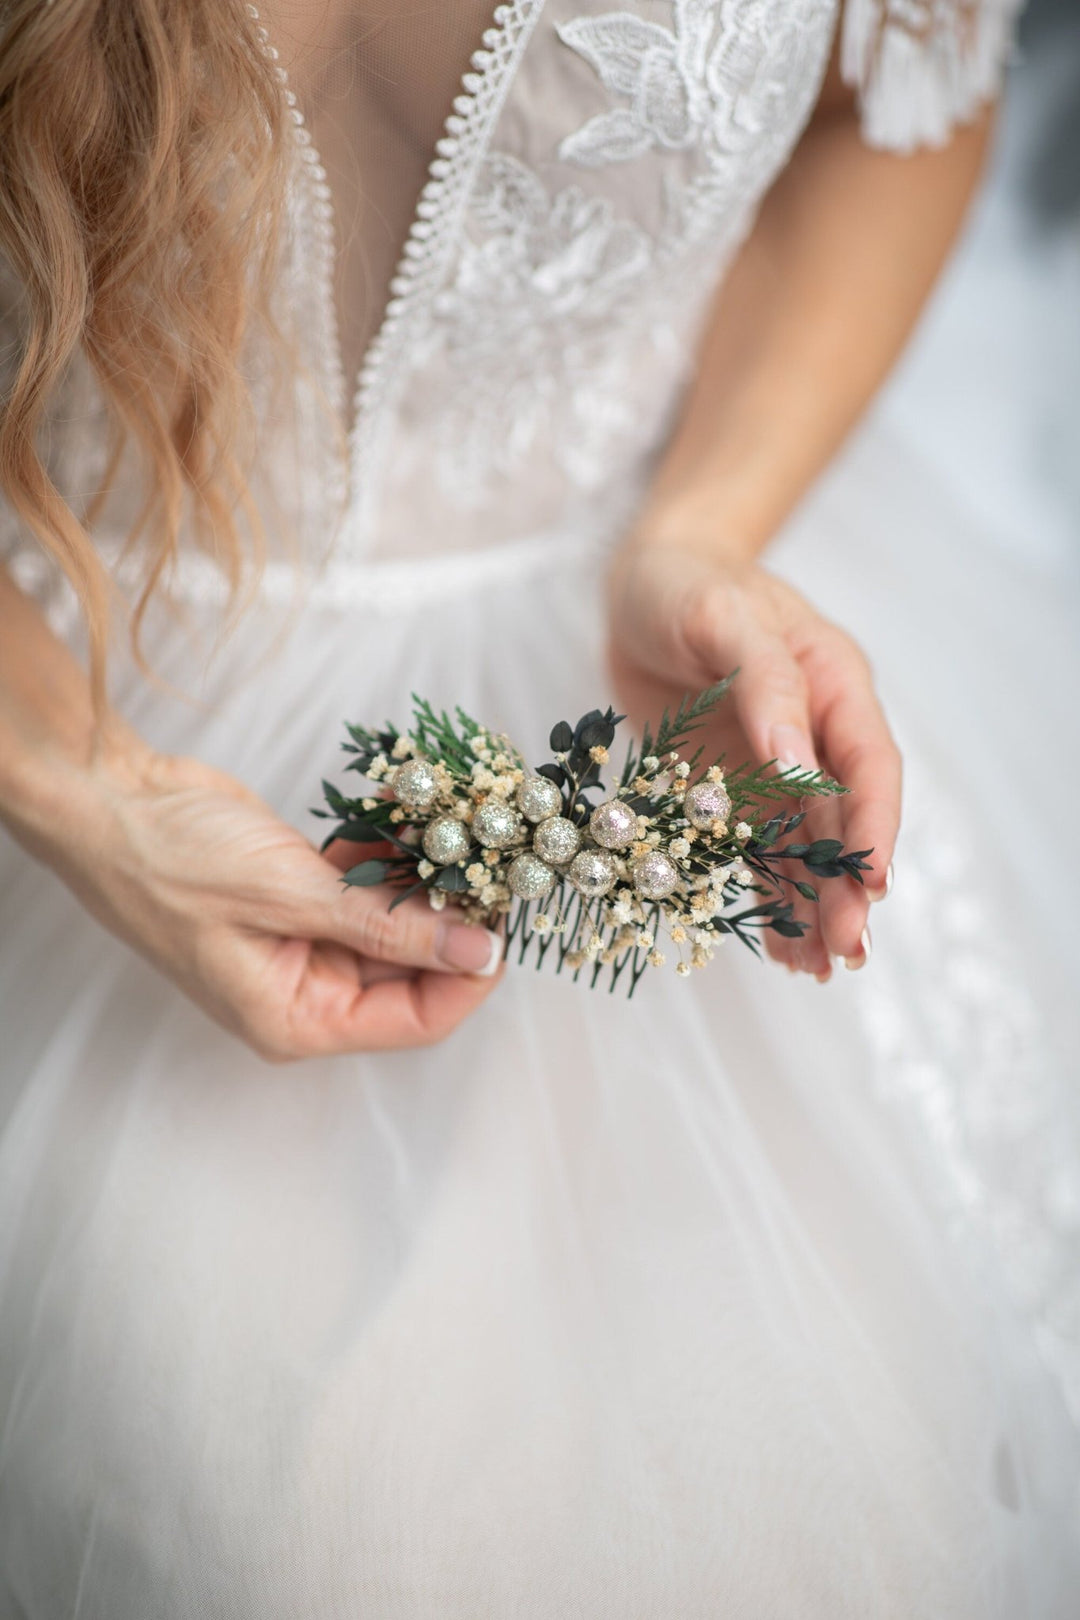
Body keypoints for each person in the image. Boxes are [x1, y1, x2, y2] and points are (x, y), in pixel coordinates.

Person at [1, 1, 1077, 1613]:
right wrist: (66, 770)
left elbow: (897, 104)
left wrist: (707, 524)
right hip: (66, 676)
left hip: (644, 633)